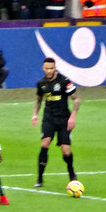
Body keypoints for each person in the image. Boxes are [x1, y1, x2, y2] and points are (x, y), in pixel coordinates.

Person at [31, 57, 81, 188]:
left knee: (66, 151)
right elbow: (38, 100)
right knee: (45, 143)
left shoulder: (64, 81)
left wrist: (73, 117)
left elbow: (76, 100)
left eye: (51, 68)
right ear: (43, 68)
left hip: (64, 119)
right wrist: (35, 114)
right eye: (46, 68)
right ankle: (40, 179)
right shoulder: (41, 83)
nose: (49, 71)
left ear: (55, 68)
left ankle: (71, 173)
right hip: (49, 118)